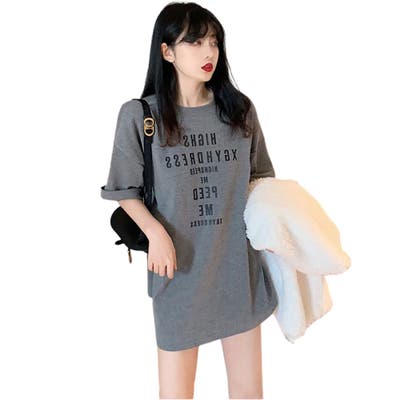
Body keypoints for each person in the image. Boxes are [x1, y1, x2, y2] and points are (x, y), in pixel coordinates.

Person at [100, 2, 278, 399]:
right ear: (167, 52)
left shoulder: (239, 111)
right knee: (176, 393)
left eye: (213, 41)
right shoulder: (141, 116)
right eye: (194, 42)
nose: (208, 51)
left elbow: (262, 180)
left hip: (238, 272)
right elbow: (123, 190)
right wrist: (155, 233)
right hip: (177, 274)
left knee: (248, 392)